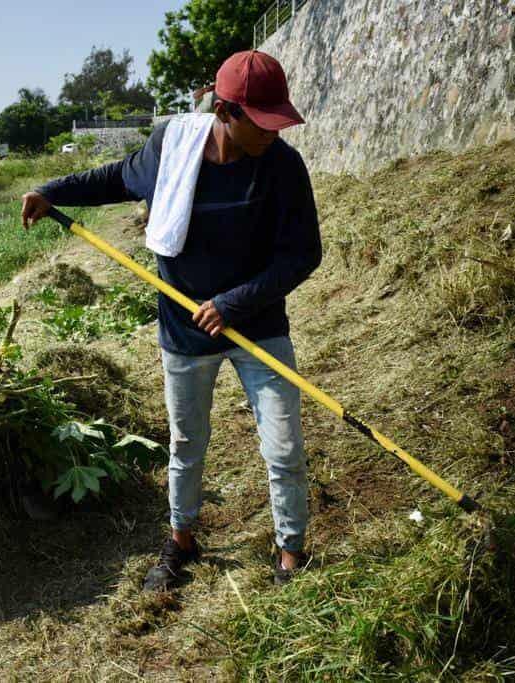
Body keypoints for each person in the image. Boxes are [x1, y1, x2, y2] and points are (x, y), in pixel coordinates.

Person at [21, 50, 323, 589]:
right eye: (263, 121)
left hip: (258, 327)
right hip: (185, 332)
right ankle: (181, 539)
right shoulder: (174, 146)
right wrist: (52, 193)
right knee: (187, 444)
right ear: (226, 112)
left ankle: (291, 553)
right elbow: (118, 177)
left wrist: (234, 302)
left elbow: (302, 254)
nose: (274, 133)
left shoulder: (282, 166)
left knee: (283, 446)